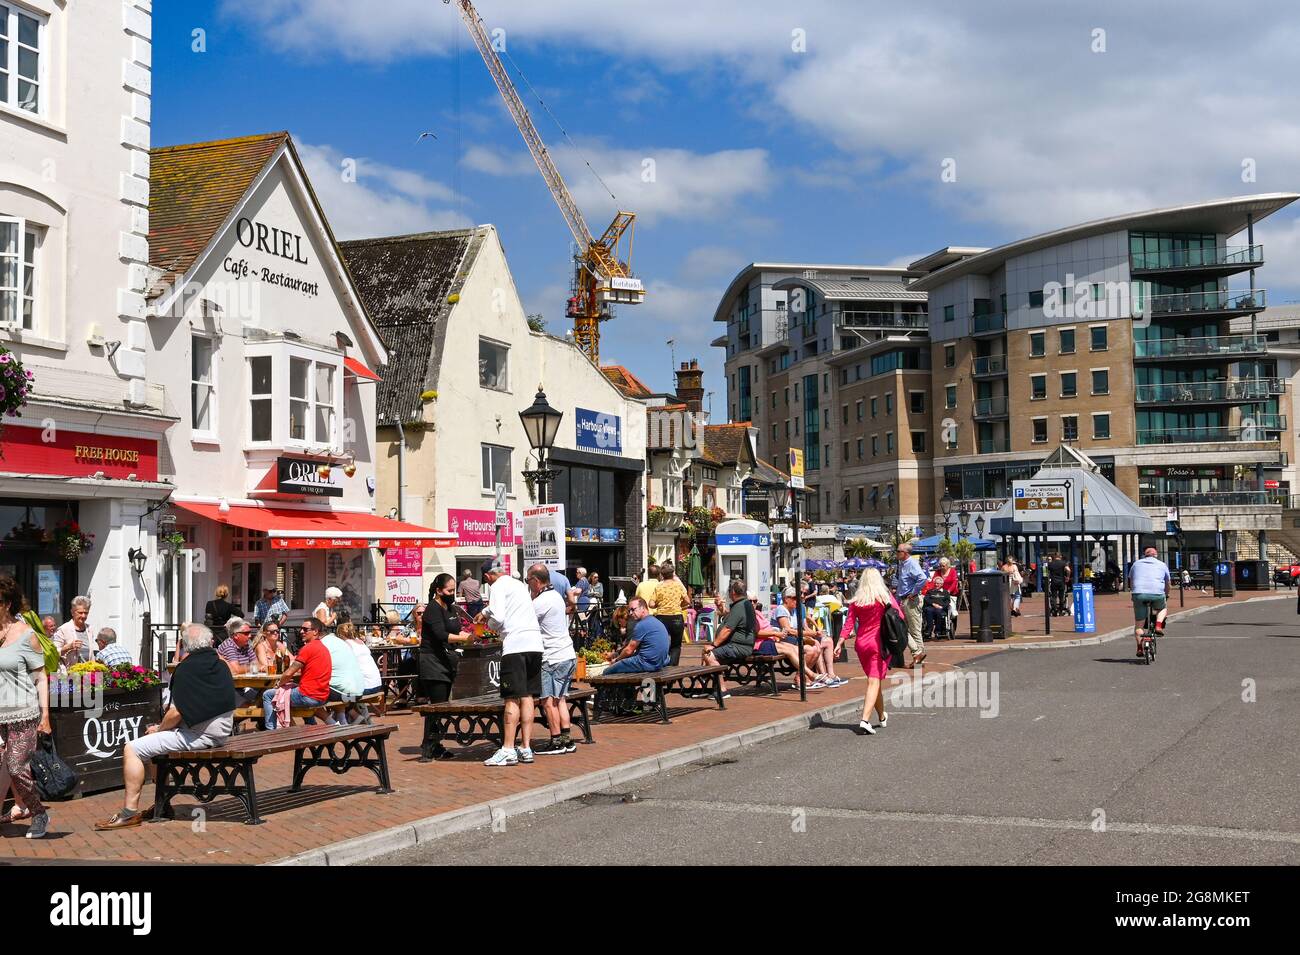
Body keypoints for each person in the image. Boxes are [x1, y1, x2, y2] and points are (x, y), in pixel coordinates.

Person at [95, 622, 235, 831]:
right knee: (154, 747)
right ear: (210, 642)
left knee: (132, 748)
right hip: (222, 731)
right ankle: (162, 803)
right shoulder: (221, 663)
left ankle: (129, 813)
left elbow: (175, 713)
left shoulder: (186, 669)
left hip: (200, 735)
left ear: (185, 646)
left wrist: (159, 729)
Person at [476, 559, 544, 767]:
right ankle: (525, 747)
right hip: (535, 645)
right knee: (528, 697)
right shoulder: (518, 585)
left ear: (488, 577)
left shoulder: (496, 586)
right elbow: (508, 607)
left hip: (515, 646)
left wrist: (487, 623)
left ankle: (507, 749)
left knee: (511, 697)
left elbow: (499, 617)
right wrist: (486, 611)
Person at [0, 576, 52, 838]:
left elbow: (41, 677)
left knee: (16, 767)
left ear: (7, 604)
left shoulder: (26, 635)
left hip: (23, 712)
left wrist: (45, 715)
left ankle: (39, 813)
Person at [418, 573, 470, 761]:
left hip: (447, 660)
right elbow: (440, 634)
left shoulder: (450, 608)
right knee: (437, 706)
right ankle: (429, 746)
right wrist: (461, 638)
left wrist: (467, 633)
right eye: (449, 591)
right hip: (432, 661)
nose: (452, 594)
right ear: (439, 591)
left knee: (443, 706)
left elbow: (455, 630)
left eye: (453, 590)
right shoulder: (432, 609)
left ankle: (435, 743)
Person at [839, 568, 898, 735]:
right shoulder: (884, 598)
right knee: (873, 681)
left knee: (875, 679)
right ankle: (864, 720)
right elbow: (899, 616)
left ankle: (881, 716)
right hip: (878, 644)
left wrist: (839, 642)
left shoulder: (857, 601)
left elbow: (848, 625)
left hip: (861, 644)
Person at [527, 564, 577, 755]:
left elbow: (525, 621)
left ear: (536, 581)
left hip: (552, 657)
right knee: (561, 700)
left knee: (548, 701)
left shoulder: (539, 602)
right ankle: (566, 739)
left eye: (528, 581)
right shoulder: (556, 596)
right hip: (567, 653)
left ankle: (556, 742)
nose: (528, 585)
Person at [262, 617, 331, 729]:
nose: (301, 631)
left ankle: (270, 731)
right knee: (290, 692)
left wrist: (278, 684)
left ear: (315, 631)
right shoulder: (323, 648)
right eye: (301, 629)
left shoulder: (308, 648)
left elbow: (289, 673)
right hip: (322, 696)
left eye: (305, 629)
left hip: (308, 696)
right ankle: (310, 725)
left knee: (268, 695)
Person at [701, 579, 756, 696]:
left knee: (709, 655)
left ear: (733, 593)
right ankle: (701, 685)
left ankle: (722, 689)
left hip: (739, 646)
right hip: (740, 645)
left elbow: (728, 629)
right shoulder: (743, 604)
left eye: (730, 591)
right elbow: (730, 617)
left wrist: (714, 645)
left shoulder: (740, 606)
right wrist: (721, 607)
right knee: (708, 653)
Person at [766, 589, 830, 688]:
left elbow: (800, 628)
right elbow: (788, 631)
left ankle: (801, 677)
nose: (798, 600)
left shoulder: (795, 610)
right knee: (809, 649)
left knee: (816, 648)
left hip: (793, 641)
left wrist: (810, 636)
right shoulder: (781, 609)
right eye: (795, 598)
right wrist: (812, 633)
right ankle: (802, 678)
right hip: (782, 641)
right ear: (786, 599)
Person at [605, 597, 670, 673]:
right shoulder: (656, 621)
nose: (631, 613)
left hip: (647, 663)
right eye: (630, 610)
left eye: (633, 609)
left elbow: (629, 650)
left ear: (643, 608)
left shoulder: (641, 625)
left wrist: (616, 660)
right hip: (660, 662)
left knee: (607, 671)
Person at [1129, 546, 1172, 657]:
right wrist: (1166, 595)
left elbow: (1131, 581)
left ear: (1145, 555)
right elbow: (1168, 584)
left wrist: (1134, 593)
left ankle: (1139, 647)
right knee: (1162, 608)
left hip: (1138, 594)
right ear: (1156, 555)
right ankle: (1158, 626)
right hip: (1157, 594)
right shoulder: (1162, 565)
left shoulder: (1136, 564)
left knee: (1139, 625)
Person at [319, 622, 365, 723]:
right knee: (336, 688)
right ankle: (345, 720)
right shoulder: (340, 642)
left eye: (305, 630)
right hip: (359, 693)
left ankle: (334, 725)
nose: (302, 632)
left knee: (310, 695)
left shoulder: (322, 644)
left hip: (348, 695)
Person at [339, 622, 384, 724]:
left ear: (340, 635)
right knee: (352, 691)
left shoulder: (346, 645)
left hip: (366, 687)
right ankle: (366, 718)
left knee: (340, 695)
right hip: (377, 684)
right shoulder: (360, 642)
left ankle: (354, 717)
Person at [650, 559, 690, 666]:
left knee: (662, 643)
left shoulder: (659, 586)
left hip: (662, 617)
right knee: (676, 645)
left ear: (662, 575)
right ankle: (673, 668)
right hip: (676, 616)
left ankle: (662, 664)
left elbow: (651, 604)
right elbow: (688, 601)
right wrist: (679, 606)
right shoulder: (678, 586)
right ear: (673, 574)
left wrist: (660, 604)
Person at [895, 542, 927, 667]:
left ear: (905, 553)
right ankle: (918, 656)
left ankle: (919, 658)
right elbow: (902, 583)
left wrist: (913, 593)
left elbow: (922, 578)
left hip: (911, 600)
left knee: (914, 630)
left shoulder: (911, 564)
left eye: (898, 551)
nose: (896, 553)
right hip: (905, 600)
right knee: (903, 629)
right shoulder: (902, 564)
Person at [53, 594, 94, 666]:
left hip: (88, 672)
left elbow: (91, 654)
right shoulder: (63, 629)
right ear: (72, 612)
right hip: (70, 673)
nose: (83, 616)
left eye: (86, 613)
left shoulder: (89, 628)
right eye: (80, 613)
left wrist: (97, 673)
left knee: (100, 677)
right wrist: (69, 646)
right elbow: (54, 653)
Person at [921, 570, 950, 641]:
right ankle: (928, 630)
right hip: (930, 607)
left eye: (938, 583)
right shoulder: (930, 591)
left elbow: (947, 602)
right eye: (936, 583)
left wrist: (942, 606)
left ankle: (938, 631)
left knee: (939, 612)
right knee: (928, 610)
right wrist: (933, 604)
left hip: (940, 608)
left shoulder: (945, 592)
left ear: (941, 584)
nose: (936, 585)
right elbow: (926, 599)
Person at [588, 571, 605, 639]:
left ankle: (598, 634)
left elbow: (601, 594)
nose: (596, 578)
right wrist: (594, 593)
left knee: (597, 619)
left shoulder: (600, 584)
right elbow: (587, 594)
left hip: (598, 604)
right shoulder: (589, 585)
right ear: (591, 577)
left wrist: (593, 592)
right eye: (595, 577)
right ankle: (593, 634)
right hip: (590, 605)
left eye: (597, 577)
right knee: (591, 618)